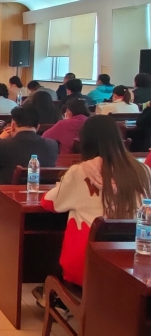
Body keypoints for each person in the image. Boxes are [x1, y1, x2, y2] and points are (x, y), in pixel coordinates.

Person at [42, 116, 151, 288]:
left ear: (85, 141)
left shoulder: (80, 171)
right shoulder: (143, 170)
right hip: (133, 266)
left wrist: (63, 186)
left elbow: (49, 203)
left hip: (87, 267)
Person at [0, 107, 59, 263]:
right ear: (38, 126)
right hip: (42, 205)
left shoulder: (3, 146)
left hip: (5, 205)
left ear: (13, 125)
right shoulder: (52, 145)